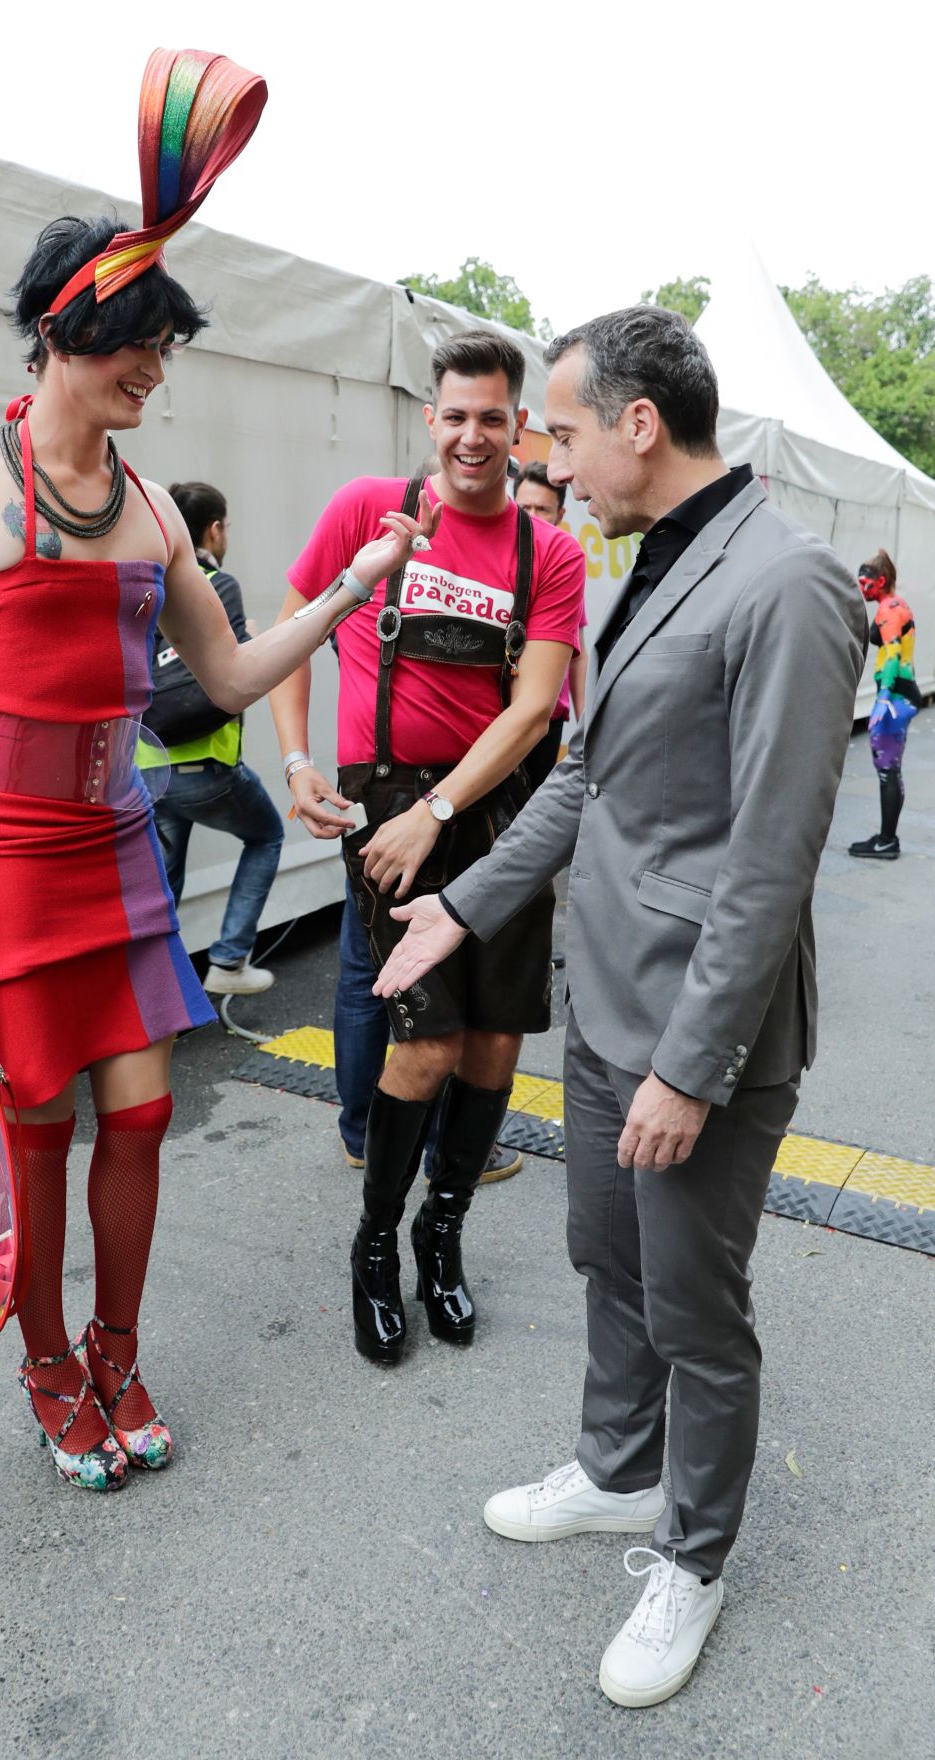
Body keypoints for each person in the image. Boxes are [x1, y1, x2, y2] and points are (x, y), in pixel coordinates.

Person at [0, 48, 438, 1495]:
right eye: (142, 343)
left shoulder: (142, 511)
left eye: (166, 349)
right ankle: (47, 1365)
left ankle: (119, 1353)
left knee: (138, 1116)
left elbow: (238, 673)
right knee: (41, 1125)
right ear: (73, 331)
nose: (156, 369)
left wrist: (357, 583)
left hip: (119, 847)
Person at [373, 306, 867, 1703]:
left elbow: (769, 864)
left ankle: (693, 1558)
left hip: (696, 1038)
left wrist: (693, 1068)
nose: (554, 462)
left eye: (569, 433)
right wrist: (464, 904)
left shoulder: (787, 584)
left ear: (640, 425)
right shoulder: (640, 564)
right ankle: (616, 1466)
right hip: (602, 1006)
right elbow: (586, 782)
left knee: (696, 1314)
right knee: (606, 1256)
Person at [270, 329, 584, 1364]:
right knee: (429, 1040)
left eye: (493, 417)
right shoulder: (371, 510)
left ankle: (440, 1236)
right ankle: (374, 1247)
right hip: (388, 803)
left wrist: (442, 811)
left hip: (494, 808)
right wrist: (297, 760)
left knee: (496, 1043)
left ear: (518, 424)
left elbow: (537, 705)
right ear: (430, 419)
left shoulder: (552, 551)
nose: (473, 436)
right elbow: (298, 619)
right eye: (456, 415)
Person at [149, 480, 284, 993]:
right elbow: (237, 673)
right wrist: (244, 638)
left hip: (150, 769)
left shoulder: (151, 581)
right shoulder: (214, 582)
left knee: (165, 886)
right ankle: (228, 962)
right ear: (213, 528)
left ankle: (154, 988)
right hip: (208, 768)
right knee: (267, 835)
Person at [514, 461, 588, 792]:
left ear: (559, 514)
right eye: (524, 506)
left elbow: (578, 650)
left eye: (542, 508)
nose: (532, 515)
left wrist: (585, 719)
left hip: (545, 719)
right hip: (496, 713)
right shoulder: (499, 556)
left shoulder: (562, 565)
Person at [849, 548, 920, 860]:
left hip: (895, 697)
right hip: (901, 694)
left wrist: (882, 699)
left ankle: (887, 841)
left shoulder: (889, 609)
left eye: (866, 583)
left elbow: (891, 654)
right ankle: (886, 836)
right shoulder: (896, 604)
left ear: (881, 581)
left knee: (887, 770)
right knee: (890, 769)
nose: (862, 588)